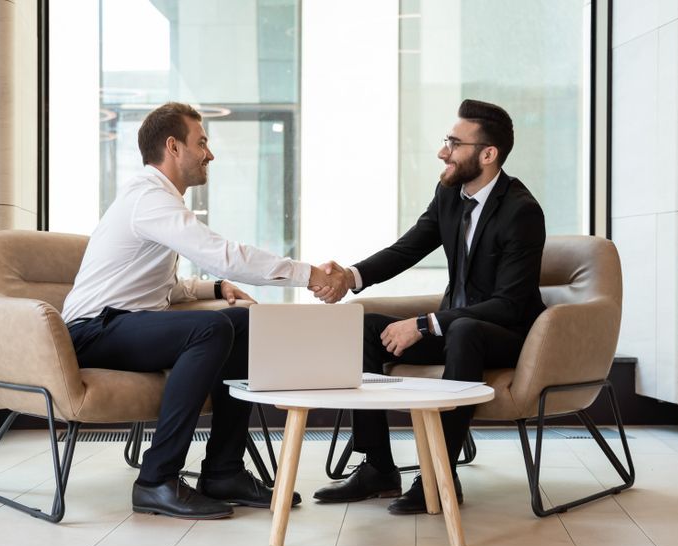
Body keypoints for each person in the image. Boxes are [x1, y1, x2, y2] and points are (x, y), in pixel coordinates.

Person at [62, 102, 347, 520]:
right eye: (202, 143)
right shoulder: (149, 198)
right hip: (93, 330)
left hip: (126, 322)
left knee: (244, 322)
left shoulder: (158, 201)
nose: (209, 154)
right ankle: (156, 480)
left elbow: (159, 285)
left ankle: (223, 470)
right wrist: (307, 275)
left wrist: (213, 288)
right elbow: (224, 255)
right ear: (173, 147)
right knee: (211, 329)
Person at [311, 99, 546, 514]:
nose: (443, 152)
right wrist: (350, 277)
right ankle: (378, 467)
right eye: (446, 141)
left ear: (488, 154)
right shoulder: (450, 194)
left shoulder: (521, 212)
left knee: (464, 330)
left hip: (504, 334)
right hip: (453, 330)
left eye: (454, 143)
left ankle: (439, 474)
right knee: (360, 326)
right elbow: (409, 248)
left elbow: (508, 305)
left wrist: (424, 323)